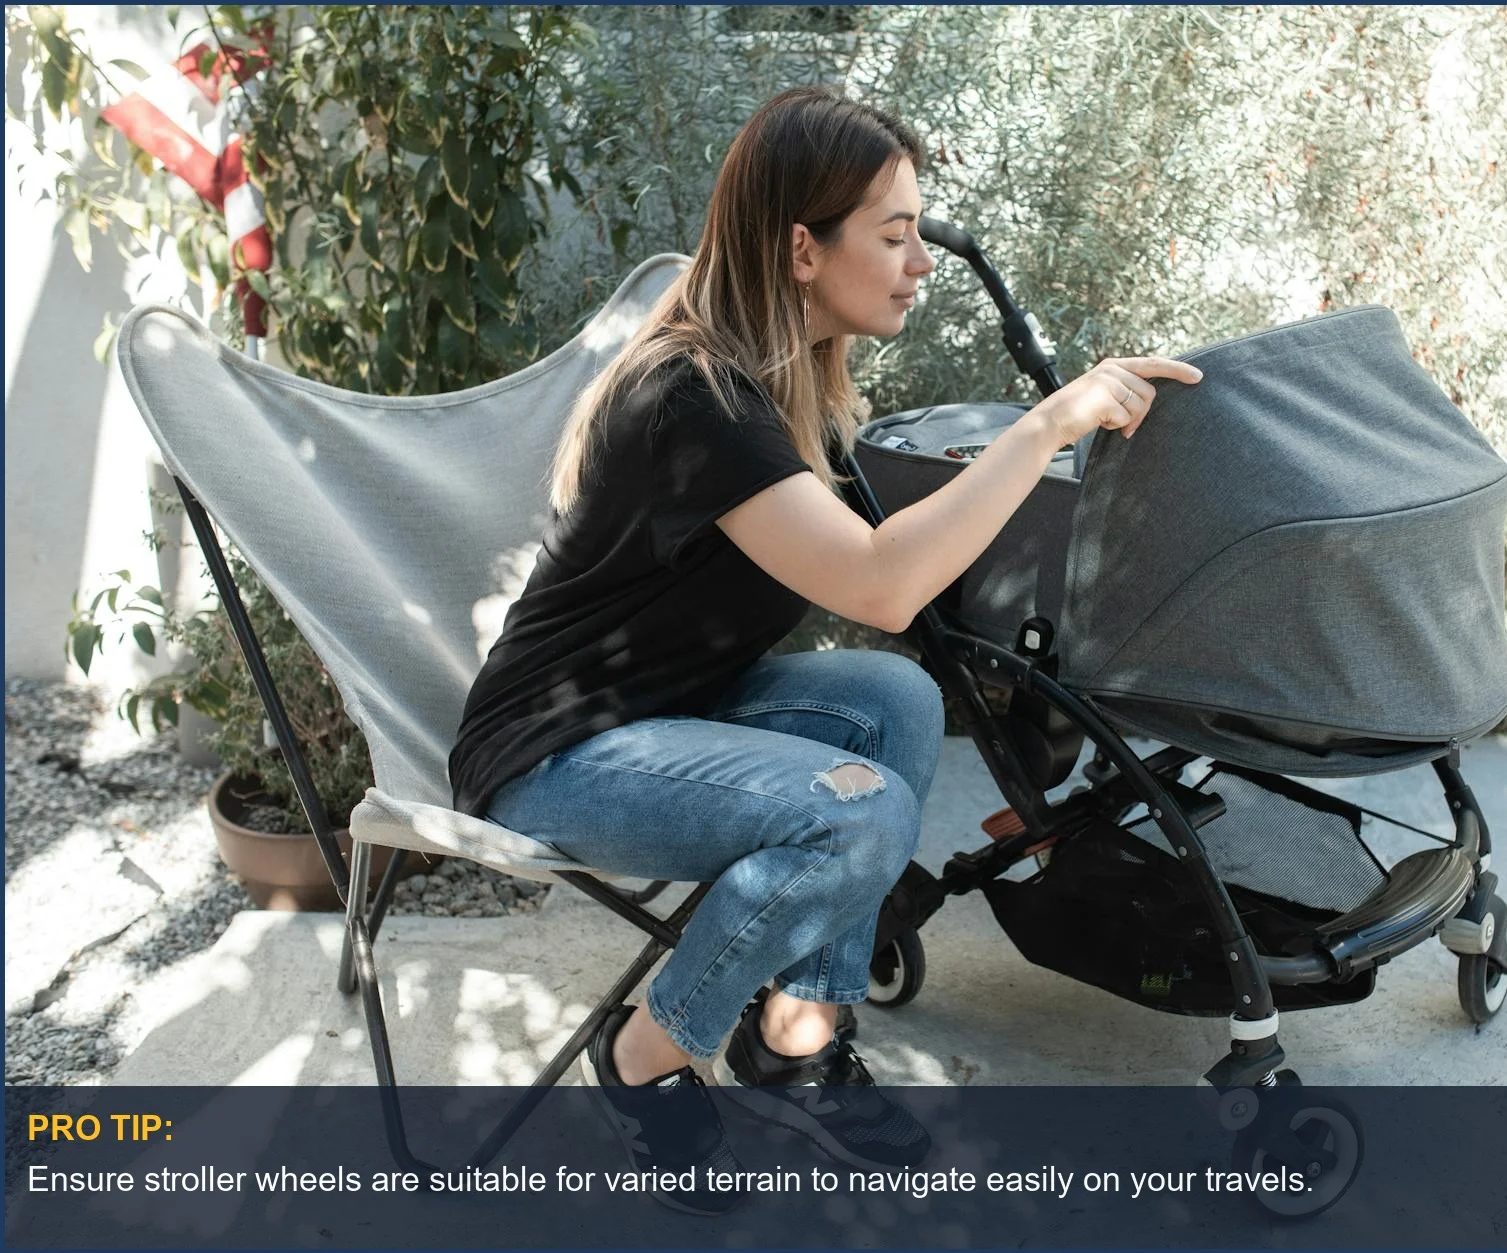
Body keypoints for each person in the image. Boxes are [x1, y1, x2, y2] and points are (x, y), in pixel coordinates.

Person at [449, 86, 1200, 1214]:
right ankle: (645, 1053)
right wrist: (1046, 421)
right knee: (855, 808)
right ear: (802, 247)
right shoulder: (694, 396)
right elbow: (883, 581)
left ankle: (794, 1033)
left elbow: (890, 580)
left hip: (673, 703)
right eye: (892, 236)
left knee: (891, 702)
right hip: (554, 754)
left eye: (917, 234)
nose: (918, 261)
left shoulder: (779, 376)